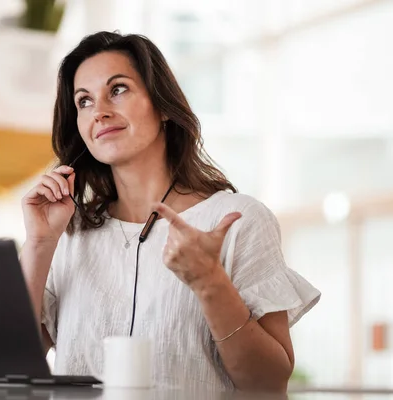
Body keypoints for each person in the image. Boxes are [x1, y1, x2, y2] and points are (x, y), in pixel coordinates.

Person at [19, 31, 320, 392]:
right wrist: (39, 242)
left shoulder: (235, 221)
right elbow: (12, 367)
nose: (99, 111)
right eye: (83, 101)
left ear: (162, 105)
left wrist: (211, 283)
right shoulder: (68, 231)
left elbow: (268, 383)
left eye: (117, 90)